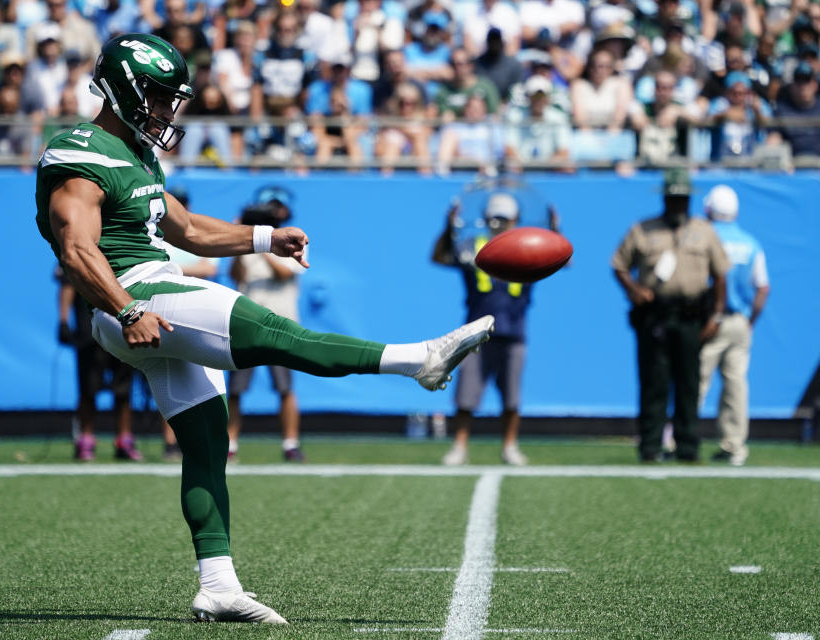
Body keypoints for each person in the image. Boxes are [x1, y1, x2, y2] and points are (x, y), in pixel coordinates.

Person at [35, 33, 492, 624]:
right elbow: (75, 251)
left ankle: (218, 585)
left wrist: (262, 237)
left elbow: (187, 229)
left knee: (204, 445)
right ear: (124, 87)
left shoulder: (136, 153)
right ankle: (418, 360)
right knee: (281, 335)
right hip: (137, 292)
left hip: (140, 297)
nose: (166, 110)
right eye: (157, 95)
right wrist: (127, 308)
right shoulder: (80, 152)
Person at [611, 168, 730, 463]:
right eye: (673, 199)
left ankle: (687, 445)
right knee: (654, 381)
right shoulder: (643, 229)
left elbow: (721, 274)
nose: (678, 205)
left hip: (691, 315)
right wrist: (634, 290)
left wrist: (716, 315)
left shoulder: (703, 230)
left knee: (688, 382)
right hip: (655, 316)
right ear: (664, 199)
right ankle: (651, 445)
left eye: (682, 200)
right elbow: (619, 265)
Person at [433, 193, 557, 466]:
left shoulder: (528, 249)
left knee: (512, 396)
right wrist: (448, 228)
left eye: (505, 219)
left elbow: (557, 261)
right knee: (466, 395)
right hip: (476, 332)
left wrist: (554, 232)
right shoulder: (472, 246)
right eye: (496, 218)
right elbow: (440, 256)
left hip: (513, 331)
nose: (500, 224)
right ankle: (460, 446)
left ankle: (509, 446)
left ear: (516, 220)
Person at [226, 187, 307, 463]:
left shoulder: (296, 240)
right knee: (236, 388)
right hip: (248, 324)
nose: (272, 214)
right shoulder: (246, 241)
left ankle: (290, 443)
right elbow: (236, 275)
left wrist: (263, 246)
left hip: (281, 324)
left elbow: (284, 273)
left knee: (285, 387)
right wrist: (245, 239)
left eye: (276, 209)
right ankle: (230, 444)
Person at [698, 185, 769, 467]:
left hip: (710, 320)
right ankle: (734, 445)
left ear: (709, 210)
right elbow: (762, 288)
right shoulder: (750, 243)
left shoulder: (706, 238)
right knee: (736, 385)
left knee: (696, 381)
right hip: (739, 320)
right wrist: (750, 321)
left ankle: (678, 438)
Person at [57, 268, 145, 461]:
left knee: (123, 388)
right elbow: (67, 282)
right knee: (89, 388)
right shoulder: (81, 243)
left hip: (122, 325)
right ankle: (85, 439)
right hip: (89, 329)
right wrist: (63, 320)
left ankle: (124, 439)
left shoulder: (122, 249)